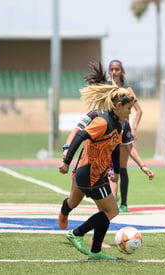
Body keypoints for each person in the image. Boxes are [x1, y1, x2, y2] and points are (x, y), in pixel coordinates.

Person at [58, 62, 154, 236]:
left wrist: (142, 166)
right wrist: (67, 150)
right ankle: (65, 212)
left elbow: (126, 146)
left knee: (108, 208)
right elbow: (77, 132)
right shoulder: (95, 116)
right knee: (74, 200)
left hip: (108, 168)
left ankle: (97, 241)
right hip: (87, 165)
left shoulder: (122, 122)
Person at [108, 59, 144, 212]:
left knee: (121, 167)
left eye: (117, 69)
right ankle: (110, 196)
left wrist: (133, 128)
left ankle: (123, 203)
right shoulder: (107, 90)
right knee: (107, 167)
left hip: (123, 132)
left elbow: (139, 111)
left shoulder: (127, 90)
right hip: (109, 131)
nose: (114, 72)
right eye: (111, 69)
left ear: (122, 71)